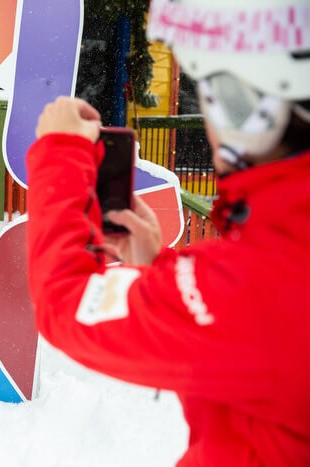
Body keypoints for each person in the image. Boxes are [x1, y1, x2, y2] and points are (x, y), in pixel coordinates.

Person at [25, 0, 310, 464]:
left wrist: (60, 154)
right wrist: (158, 271)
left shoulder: (264, 283)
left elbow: (65, 304)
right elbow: (237, 360)